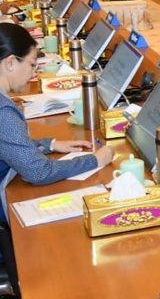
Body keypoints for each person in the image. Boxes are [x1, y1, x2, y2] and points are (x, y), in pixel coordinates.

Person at [0, 24, 114, 225]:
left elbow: (8, 144)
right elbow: (38, 172)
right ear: (10, 63)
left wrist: (50, 144)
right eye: (32, 64)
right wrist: (95, 160)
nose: (33, 73)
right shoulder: (3, 112)